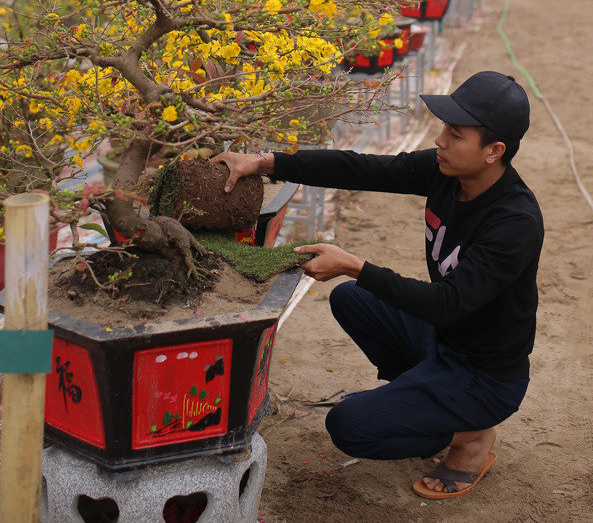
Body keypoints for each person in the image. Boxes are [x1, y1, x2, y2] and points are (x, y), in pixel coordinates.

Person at [213, 70, 543, 502]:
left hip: (484, 374)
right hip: (444, 341)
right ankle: (422, 399)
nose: (441, 140)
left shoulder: (514, 222)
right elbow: (364, 169)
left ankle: (470, 436)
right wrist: (264, 162)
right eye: (444, 128)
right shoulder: (446, 172)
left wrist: (354, 265)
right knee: (353, 299)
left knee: (350, 427)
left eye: (456, 134)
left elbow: (446, 304)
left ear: (493, 151)